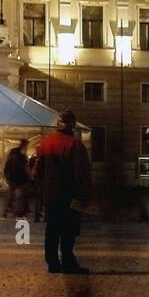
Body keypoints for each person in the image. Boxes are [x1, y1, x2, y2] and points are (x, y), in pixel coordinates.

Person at [36, 109, 92, 274]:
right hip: (69, 196)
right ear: (72, 125)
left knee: (52, 229)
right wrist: (83, 196)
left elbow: (38, 171)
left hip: (50, 195)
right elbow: (81, 173)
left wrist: (42, 192)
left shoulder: (45, 144)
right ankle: (68, 261)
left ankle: (52, 263)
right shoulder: (75, 145)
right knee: (69, 230)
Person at [2, 140, 29, 218]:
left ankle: (5, 213)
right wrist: (27, 177)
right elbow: (24, 169)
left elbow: (6, 168)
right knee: (20, 196)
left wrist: (7, 177)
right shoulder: (22, 157)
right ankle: (17, 213)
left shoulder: (11, 158)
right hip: (20, 179)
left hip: (12, 178)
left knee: (11, 196)